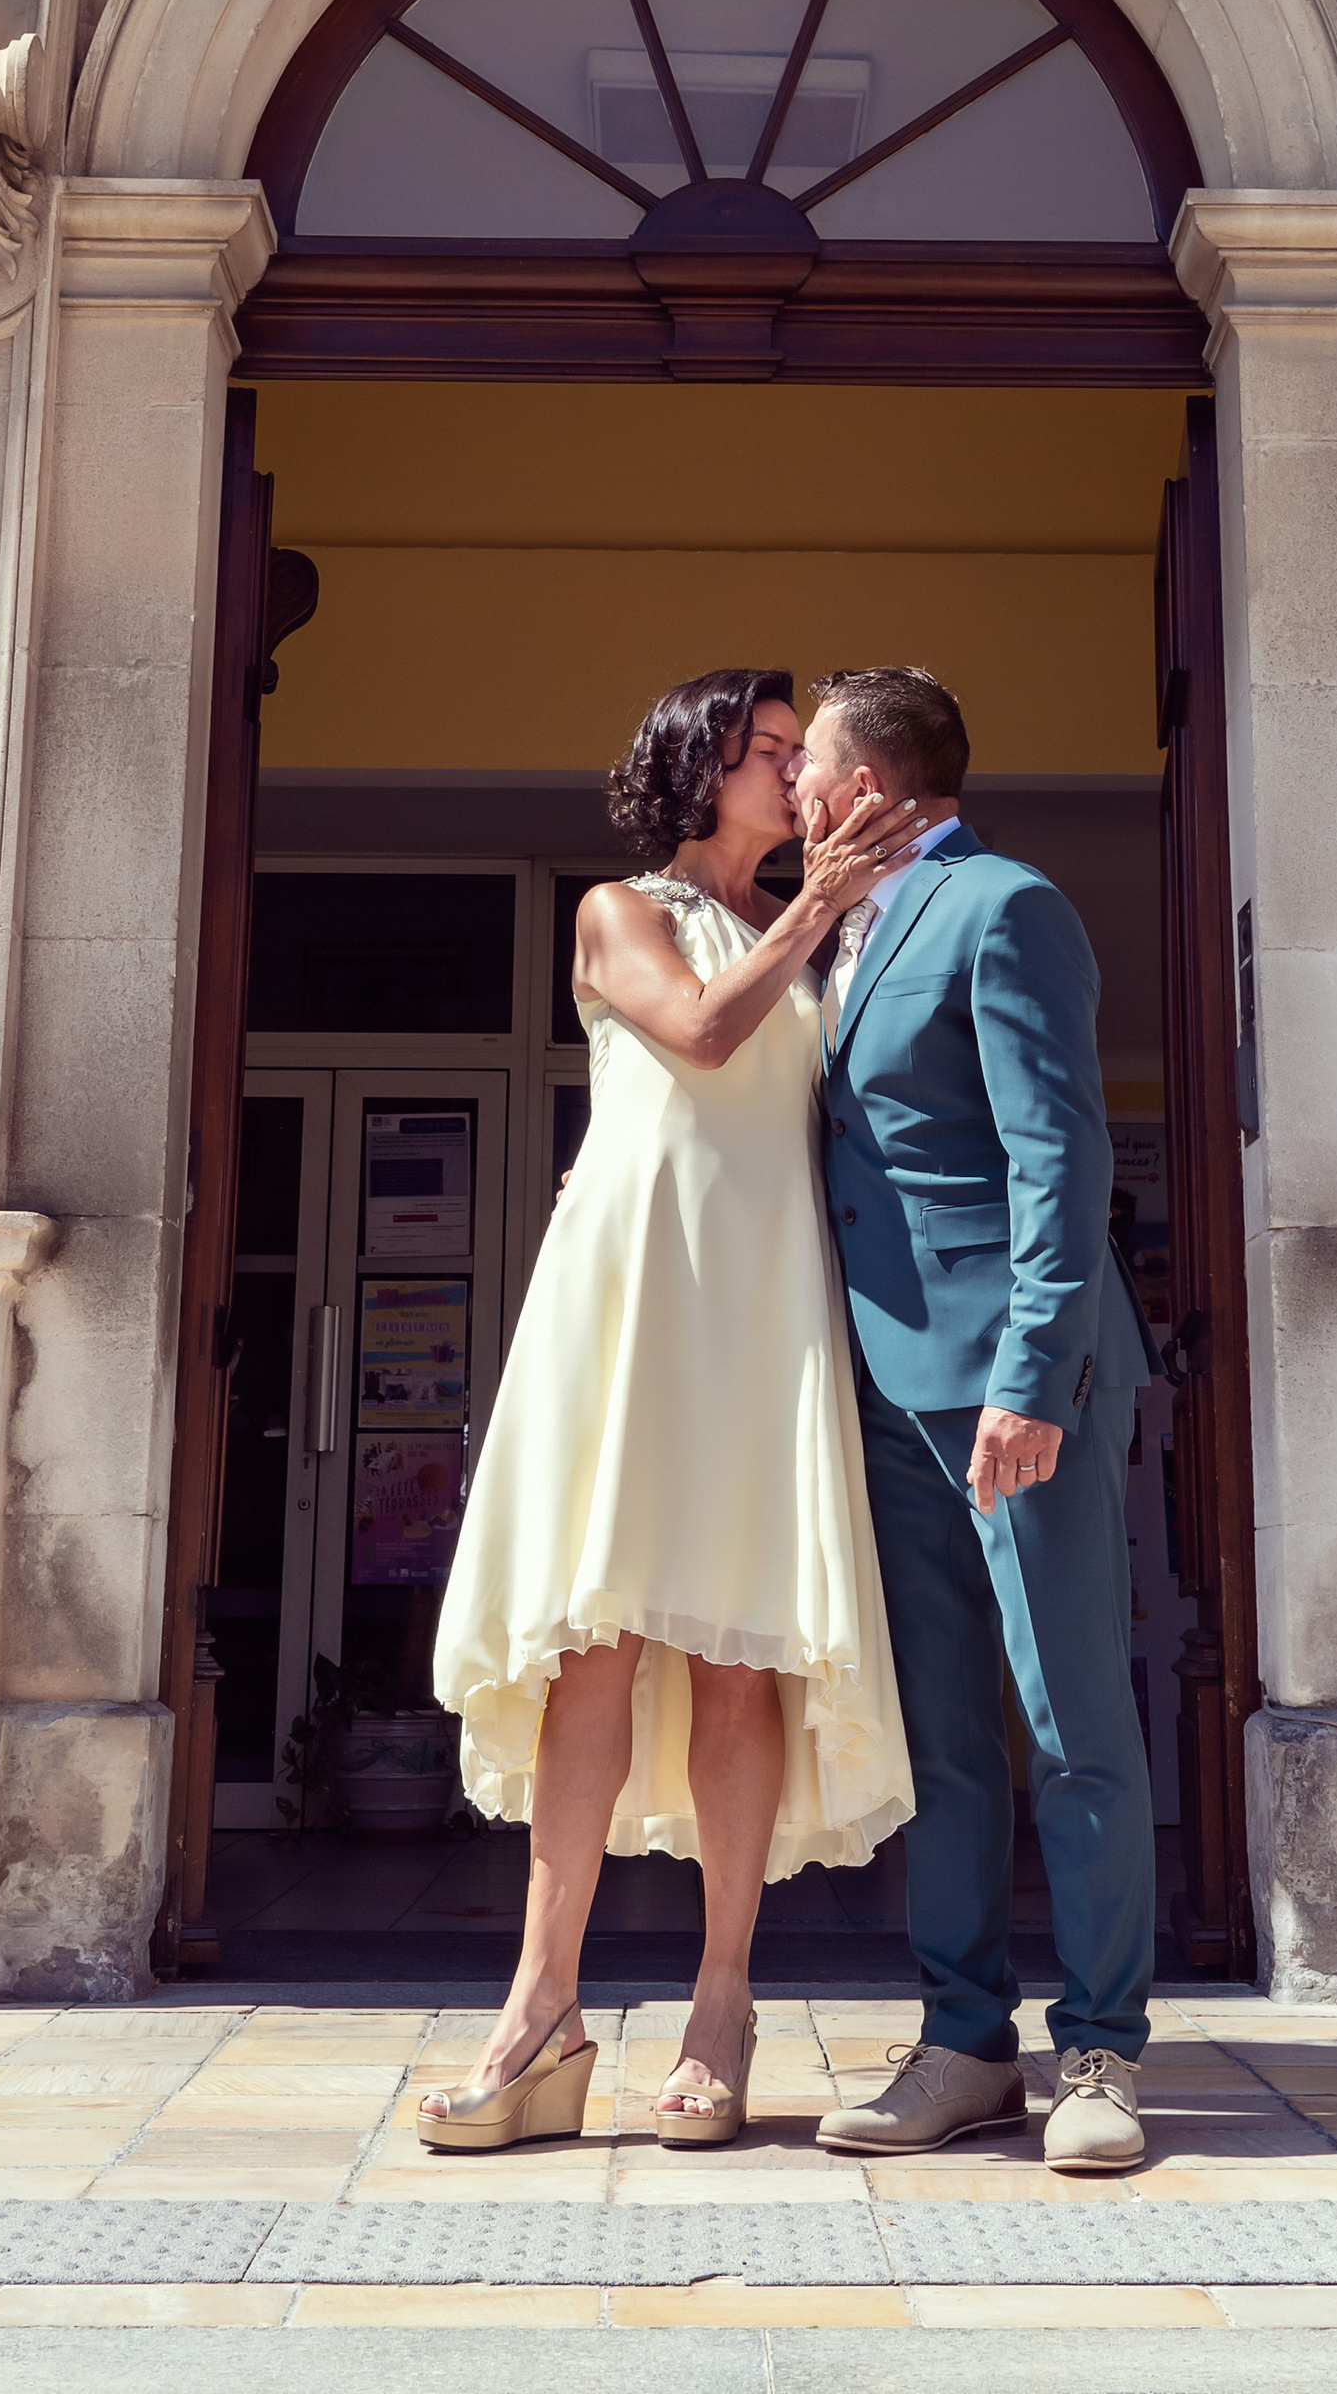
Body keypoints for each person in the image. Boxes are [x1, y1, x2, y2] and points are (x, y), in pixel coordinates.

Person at [421, 667, 924, 2154]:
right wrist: (813, 911)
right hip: (636, 1298)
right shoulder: (619, 911)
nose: (794, 777)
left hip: (760, 1302)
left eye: (798, 755)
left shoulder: (828, 947)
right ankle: (539, 2012)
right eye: (768, 751)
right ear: (698, 769)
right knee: (595, 1642)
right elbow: (698, 1035)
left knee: (736, 1655)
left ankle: (721, 2008)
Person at [795, 664, 1159, 2178]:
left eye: (806, 762)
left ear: (870, 783)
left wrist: (1033, 1377)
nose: (792, 788)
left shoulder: (1003, 905)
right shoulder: (831, 934)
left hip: (1019, 1387)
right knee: (942, 1739)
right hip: (880, 1385)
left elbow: (1056, 1159)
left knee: (1071, 1723)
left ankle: (1103, 2050)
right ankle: (962, 2043)